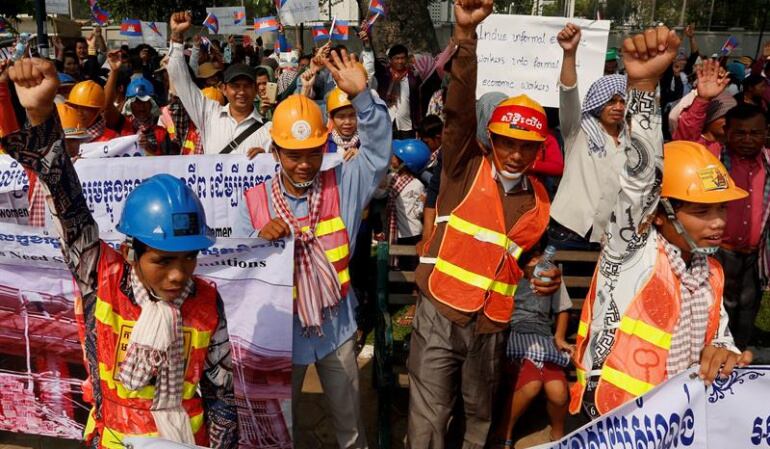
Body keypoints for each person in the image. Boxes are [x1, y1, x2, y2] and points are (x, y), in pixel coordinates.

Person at [1, 57, 238, 449]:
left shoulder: (208, 302)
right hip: (113, 440)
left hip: (184, 441)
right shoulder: (101, 276)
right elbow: (68, 202)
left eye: (189, 257)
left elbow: (221, 395)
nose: (179, 275)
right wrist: (41, 113)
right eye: (162, 260)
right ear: (131, 252)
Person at [569, 25, 753, 424]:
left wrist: (725, 351)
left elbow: (717, 334)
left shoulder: (711, 270)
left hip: (678, 421)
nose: (718, 223)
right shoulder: (630, 250)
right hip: (618, 420)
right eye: (701, 212)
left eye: (720, 209)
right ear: (660, 213)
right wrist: (644, 86)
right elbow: (640, 180)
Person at [408, 1, 561, 447]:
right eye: (507, 142)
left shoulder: (538, 201)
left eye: (525, 147)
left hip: (492, 326)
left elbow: (529, 257)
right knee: (429, 417)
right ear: (490, 139)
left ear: (537, 152)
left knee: (479, 417)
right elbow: (457, 110)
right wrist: (466, 38)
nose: (515, 153)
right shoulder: (462, 166)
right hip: (441, 310)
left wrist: (542, 275)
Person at [241, 49, 391, 449]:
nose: (304, 164)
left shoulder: (344, 182)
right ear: (275, 151)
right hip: (279, 331)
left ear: (324, 146)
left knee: (350, 424)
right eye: (293, 155)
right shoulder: (254, 202)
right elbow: (239, 271)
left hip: (336, 326)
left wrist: (364, 97)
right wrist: (258, 240)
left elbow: (377, 152)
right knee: (280, 423)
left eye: (311, 154)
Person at [549, 23, 627, 249]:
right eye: (611, 101)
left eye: (623, 101)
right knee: (551, 284)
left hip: (608, 238)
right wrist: (569, 53)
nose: (618, 107)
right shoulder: (579, 129)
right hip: (567, 231)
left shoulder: (631, 142)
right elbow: (568, 91)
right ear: (598, 102)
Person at [167, 12, 271, 156]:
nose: (241, 91)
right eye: (235, 86)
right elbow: (180, 80)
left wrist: (267, 158)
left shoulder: (269, 130)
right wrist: (177, 36)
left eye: (247, 86)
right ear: (223, 89)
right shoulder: (209, 114)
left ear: (255, 90)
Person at [495, 280, 573, 448]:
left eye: (539, 253)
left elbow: (563, 309)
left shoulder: (551, 274)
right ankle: (505, 429)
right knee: (531, 384)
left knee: (558, 391)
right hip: (513, 334)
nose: (535, 259)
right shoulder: (511, 270)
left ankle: (558, 434)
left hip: (544, 338)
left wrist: (559, 337)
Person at [717, 104, 770, 349]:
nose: (748, 139)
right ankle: (718, 350)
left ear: (766, 133)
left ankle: (741, 356)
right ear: (727, 132)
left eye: (755, 133)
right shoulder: (715, 160)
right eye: (740, 133)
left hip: (756, 253)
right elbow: (684, 132)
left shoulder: (768, 164)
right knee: (721, 303)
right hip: (720, 250)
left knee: (749, 303)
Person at [673, 58, 736, 158]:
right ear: (709, 117)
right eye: (723, 116)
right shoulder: (694, 144)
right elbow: (688, 130)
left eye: (732, 117)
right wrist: (703, 99)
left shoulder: (731, 147)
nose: (728, 121)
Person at [386, 139, 430, 270]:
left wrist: (423, 203)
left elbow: (418, 212)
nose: (392, 158)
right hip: (405, 232)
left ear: (405, 163)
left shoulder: (415, 185)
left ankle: (408, 288)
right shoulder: (392, 178)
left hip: (409, 234)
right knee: (405, 265)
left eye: (395, 156)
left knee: (407, 266)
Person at [375, 43, 422, 139]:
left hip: (407, 126)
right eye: (397, 58)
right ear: (390, 60)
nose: (400, 61)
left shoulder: (413, 78)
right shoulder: (384, 75)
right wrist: (367, 42)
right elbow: (373, 62)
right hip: (387, 124)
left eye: (402, 58)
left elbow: (418, 104)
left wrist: (418, 128)